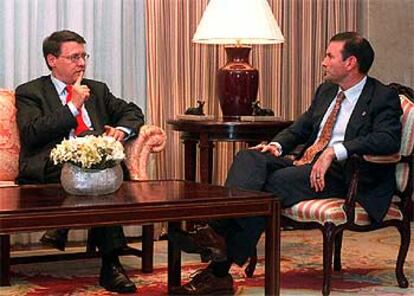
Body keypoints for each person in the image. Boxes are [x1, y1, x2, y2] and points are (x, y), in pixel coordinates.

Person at [170, 31, 403, 295]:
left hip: (346, 174)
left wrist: (336, 151)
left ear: (350, 63)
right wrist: (277, 145)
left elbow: (387, 140)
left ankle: (218, 260)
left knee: (272, 185)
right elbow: (301, 127)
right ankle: (217, 239)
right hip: (307, 163)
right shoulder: (327, 91)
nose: (324, 62)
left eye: (329, 55)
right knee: (249, 158)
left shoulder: (382, 96)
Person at [15, 30, 144, 293]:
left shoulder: (97, 89)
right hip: (50, 165)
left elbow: (132, 111)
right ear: (52, 60)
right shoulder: (31, 92)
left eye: (84, 56)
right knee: (98, 175)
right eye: (74, 57)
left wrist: (123, 130)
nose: (82, 63)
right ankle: (111, 265)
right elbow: (32, 134)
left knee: (100, 172)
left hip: (95, 167)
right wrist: (72, 107)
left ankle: (65, 231)